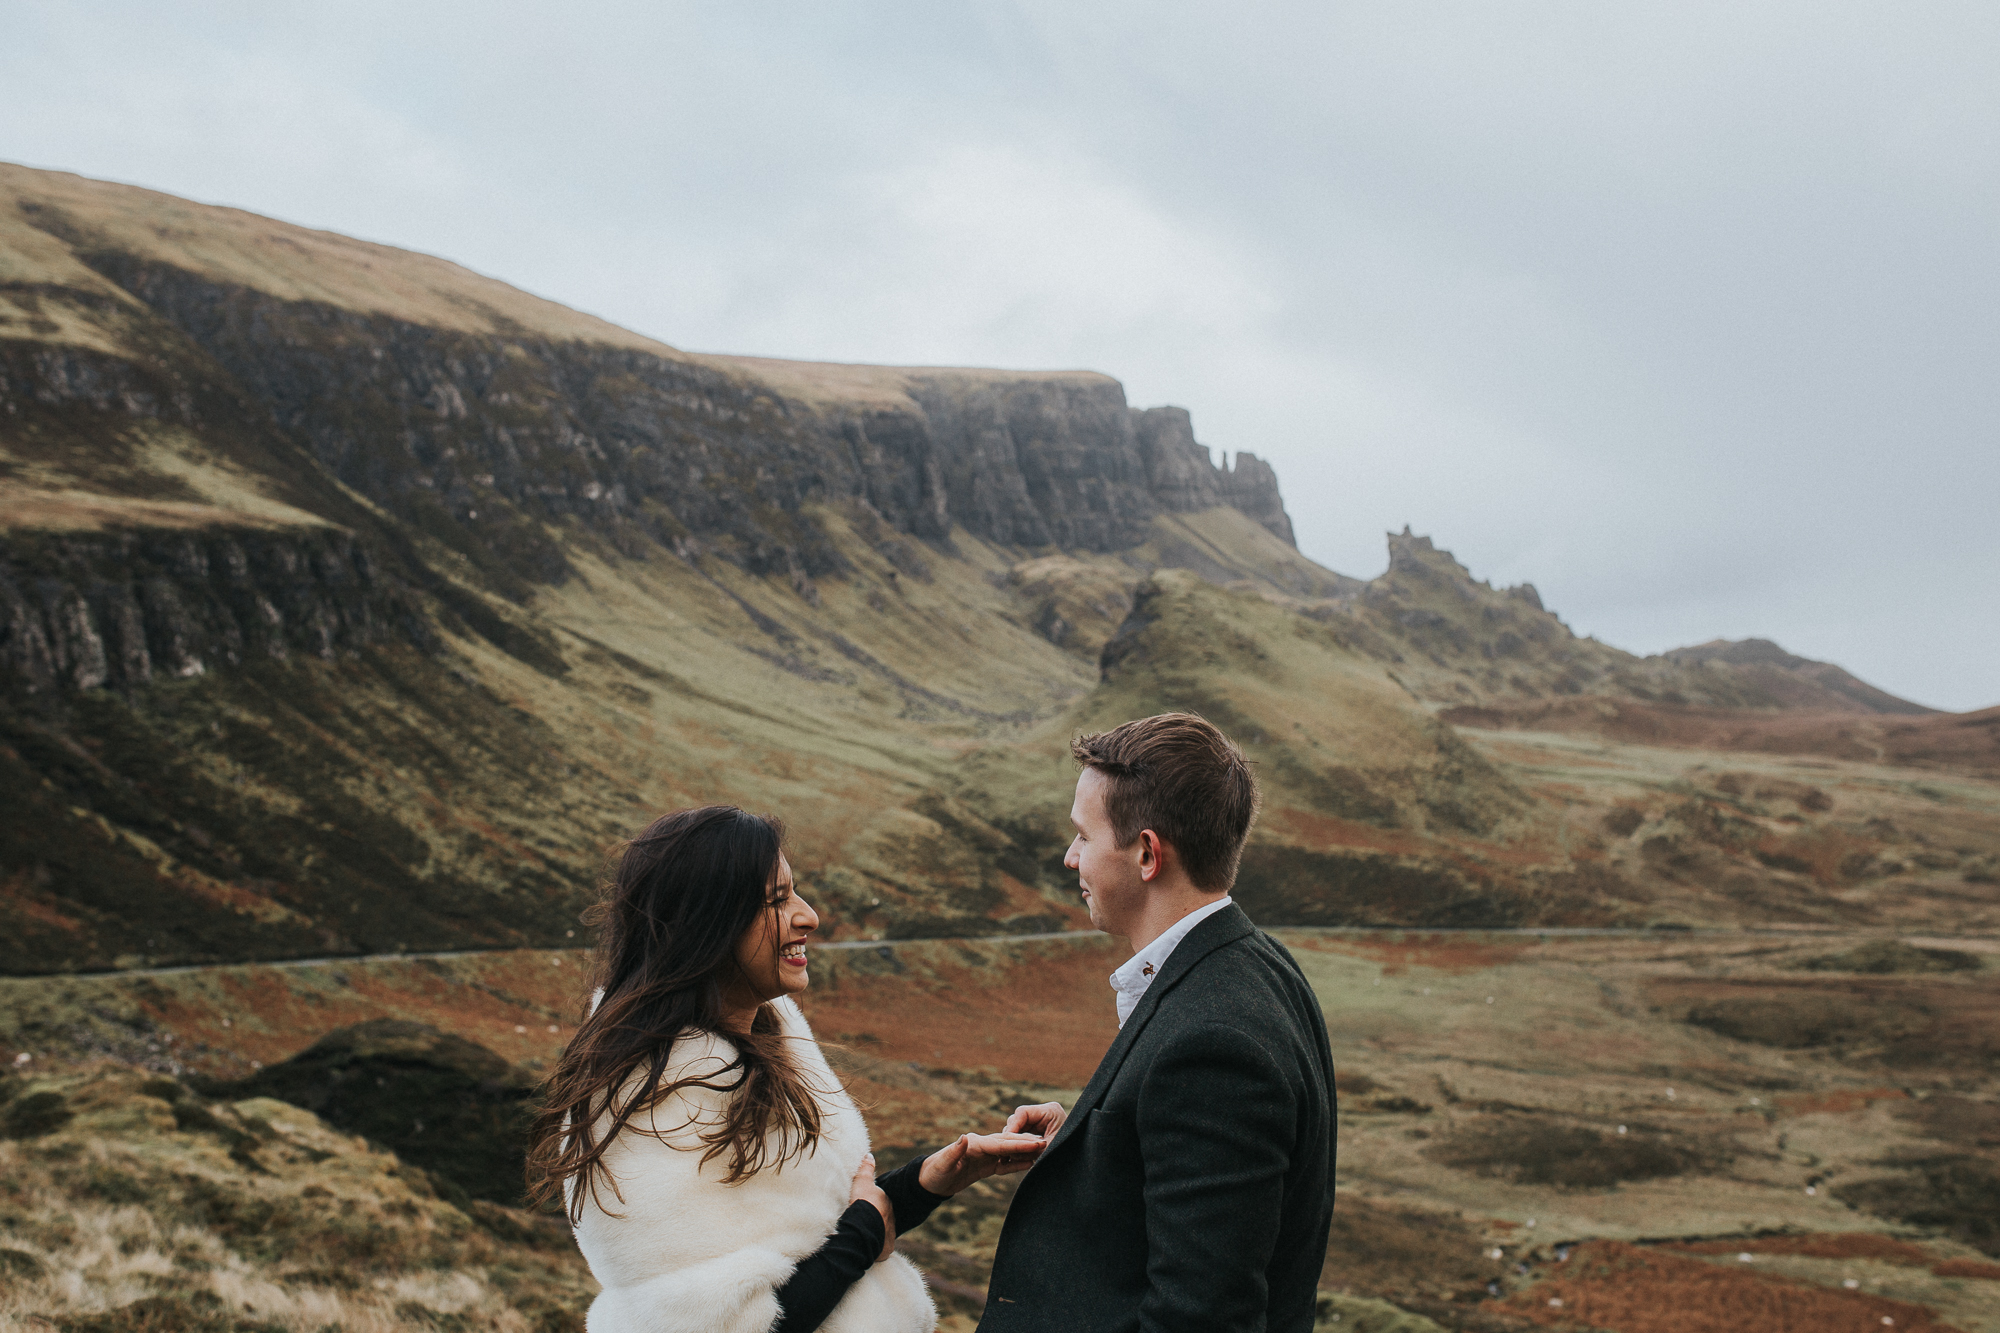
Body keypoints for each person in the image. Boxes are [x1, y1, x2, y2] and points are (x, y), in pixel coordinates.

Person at [526, 805, 1047, 1333]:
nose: (808, 916)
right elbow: (725, 1321)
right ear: (709, 922)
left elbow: (807, 1231)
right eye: (777, 900)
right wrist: (863, 1232)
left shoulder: (765, 1042)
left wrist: (925, 1182)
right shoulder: (655, 1097)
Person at [979, 713, 1337, 1332]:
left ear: (1147, 853)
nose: (1070, 857)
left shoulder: (1214, 1047)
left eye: (1084, 836)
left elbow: (1202, 1316)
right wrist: (1094, 1144)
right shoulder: (1256, 963)